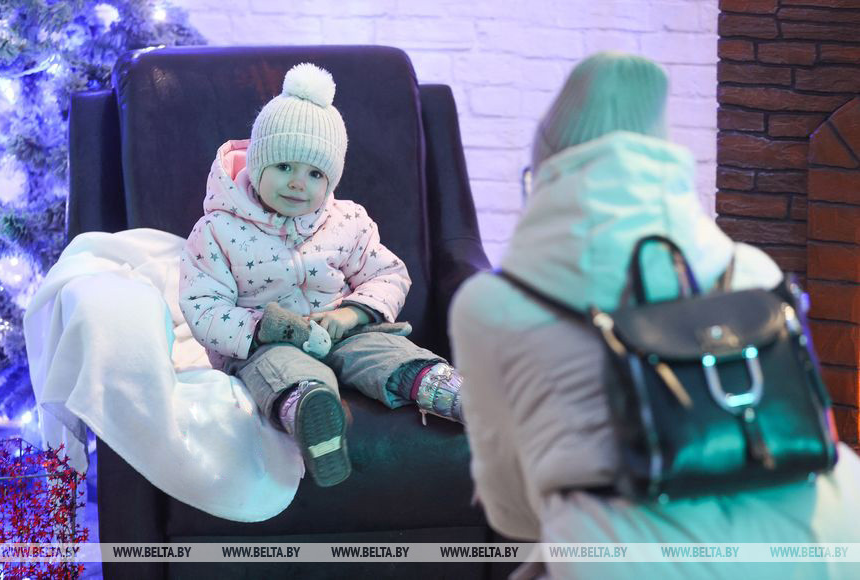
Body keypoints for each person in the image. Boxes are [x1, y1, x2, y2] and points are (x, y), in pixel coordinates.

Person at [449, 52, 860, 579]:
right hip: (829, 542)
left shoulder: (490, 305)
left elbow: (510, 512)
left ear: (544, 173)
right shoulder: (752, 270)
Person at [179, 63, 463, 488]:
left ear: (331, 180)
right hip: (265, 343)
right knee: (280, 370)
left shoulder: (346, 220)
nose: (299, 183)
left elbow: (389, 274)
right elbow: (203, 305)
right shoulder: (217, 231)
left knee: (385, 352)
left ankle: (450, 392)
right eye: (284, 166)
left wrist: (351, 315)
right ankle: (312, 418)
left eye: (315, 174)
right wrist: (262, 328)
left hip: (342, 332)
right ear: (257, 164)